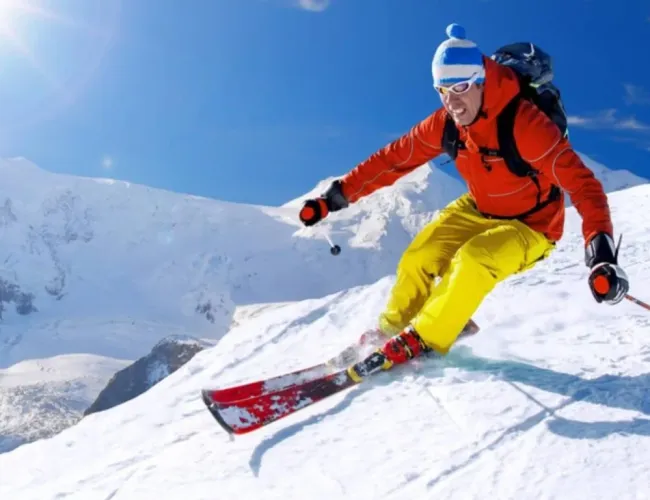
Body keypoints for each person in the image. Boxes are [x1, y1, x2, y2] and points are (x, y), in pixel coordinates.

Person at [298, 24, 630, 370]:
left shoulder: (526, 125)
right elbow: (392, 160)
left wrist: (602, 253)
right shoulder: (446, 124)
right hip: (479, 207)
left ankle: (425, 338)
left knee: (474, 258)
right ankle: (390, 331)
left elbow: (584, 186)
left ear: (482, 80)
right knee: (419, 256)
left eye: (460, 88)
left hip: (532, 224)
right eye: (442, 91)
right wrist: (332, 198)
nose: (452, 102)